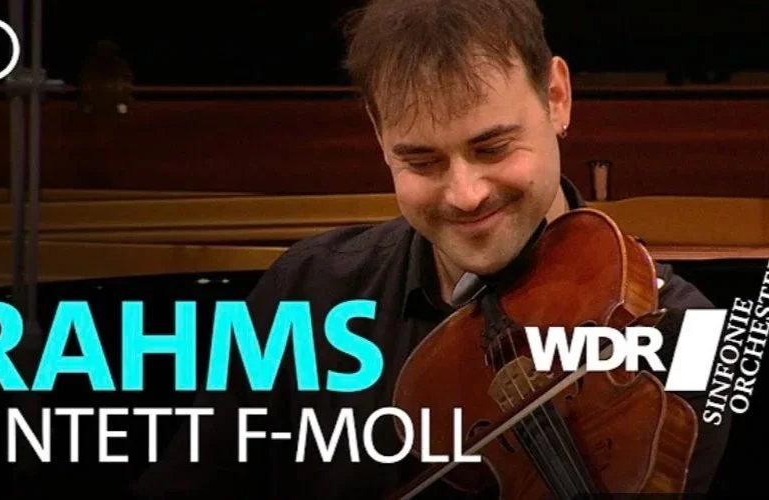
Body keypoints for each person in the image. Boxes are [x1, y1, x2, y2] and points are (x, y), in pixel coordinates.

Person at [129, 0, 731, 497]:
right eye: (422, 161)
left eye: (493, 148)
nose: (465, 195)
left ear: (556, 97)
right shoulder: (308, 292)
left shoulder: (688, 335)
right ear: (378, 134)